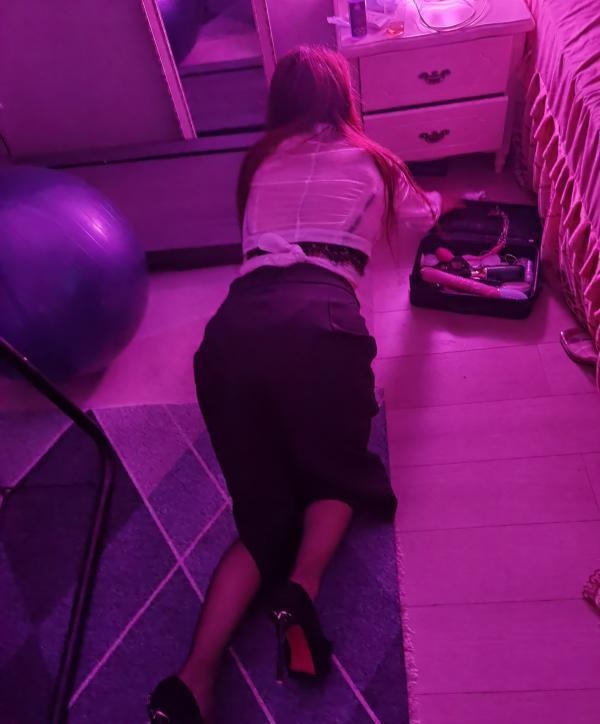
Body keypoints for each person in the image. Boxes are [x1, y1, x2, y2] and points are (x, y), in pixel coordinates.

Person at [149, 45, 450, 724]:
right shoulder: (376, 160)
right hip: (321, 326)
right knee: (333, 476)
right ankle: (301, 589)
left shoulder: (258, 162)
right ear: (344, 96)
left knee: (262, 516)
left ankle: (193, 679)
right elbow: (423, 221)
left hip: (231, 336)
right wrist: (441, 202)